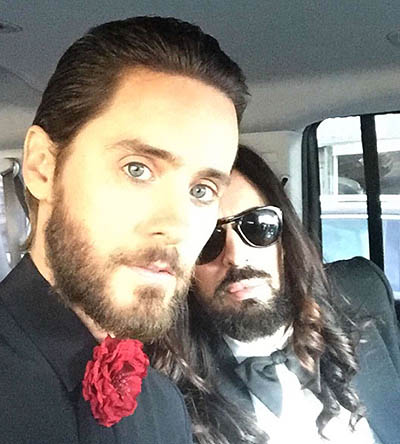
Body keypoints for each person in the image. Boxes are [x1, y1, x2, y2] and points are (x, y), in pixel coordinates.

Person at [0, 16, 248, 443]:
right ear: (43, 167)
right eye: (137, 169)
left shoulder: (162, 402)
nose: (176, 227)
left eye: (202, 191)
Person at [149, 145, 400, 444]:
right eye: (206, 239)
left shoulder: (362, 291)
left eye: (258, 226)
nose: (236, 256)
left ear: (285, 238)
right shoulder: (163, 390)